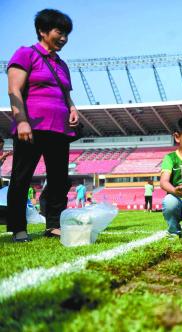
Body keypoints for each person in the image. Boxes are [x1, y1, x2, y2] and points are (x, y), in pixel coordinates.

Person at [7, 9, 78, 242]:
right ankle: (18, 228)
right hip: (32, 127)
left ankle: (53, 225)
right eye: (60, 32)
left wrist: (72, 108)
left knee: (59, 180)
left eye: (67, 34)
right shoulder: (26, 54)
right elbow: (14, 89)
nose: (64, 38)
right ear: (43, 31)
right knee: (21, 178)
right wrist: (22, 121)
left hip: (59, 129)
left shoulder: (62, 64)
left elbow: (65, 93)